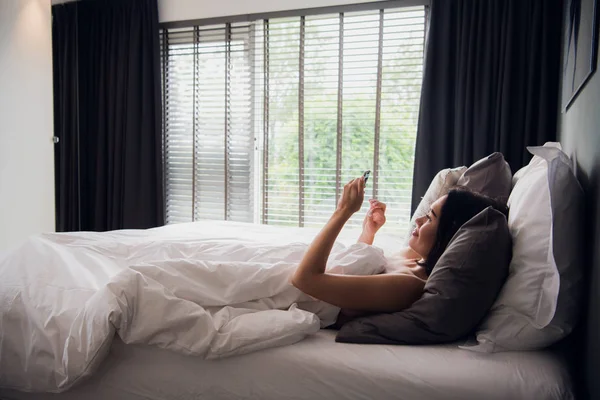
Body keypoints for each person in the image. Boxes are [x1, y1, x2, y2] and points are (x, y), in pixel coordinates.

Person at [291, 176, 508, 316]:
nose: (419, 220)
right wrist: (368, 233)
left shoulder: (408, 286)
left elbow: (305, 280)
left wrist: (343, 212)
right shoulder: (413, 256)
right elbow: (353, 271)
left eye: (430, 218)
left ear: (449, 236)